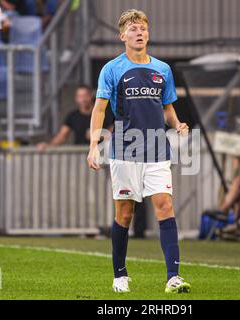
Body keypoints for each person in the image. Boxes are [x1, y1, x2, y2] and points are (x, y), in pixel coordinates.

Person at [86, 9, 191, 293]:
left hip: (157, 150)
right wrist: (94, 145)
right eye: (133, 29)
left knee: (165, 207)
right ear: (122, 36)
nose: (139, 32)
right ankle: (120, 275)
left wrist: (178, 123)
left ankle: (173, 278)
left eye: (143, 28)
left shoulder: (163, 69)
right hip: (124, 151)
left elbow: (167, 107)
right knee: (125, 214)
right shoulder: (111, 69)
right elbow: (100, 108)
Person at [37, 84, 113, 149]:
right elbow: (61, 136)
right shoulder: (72, 116)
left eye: (85, 95)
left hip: (101, 156)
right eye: (80, 96)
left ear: (91, 96)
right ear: (76, 98)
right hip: (80, 156)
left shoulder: (103, 113)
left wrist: (98, 135)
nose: (83, 99)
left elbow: (115, 135)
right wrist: (48, 146)